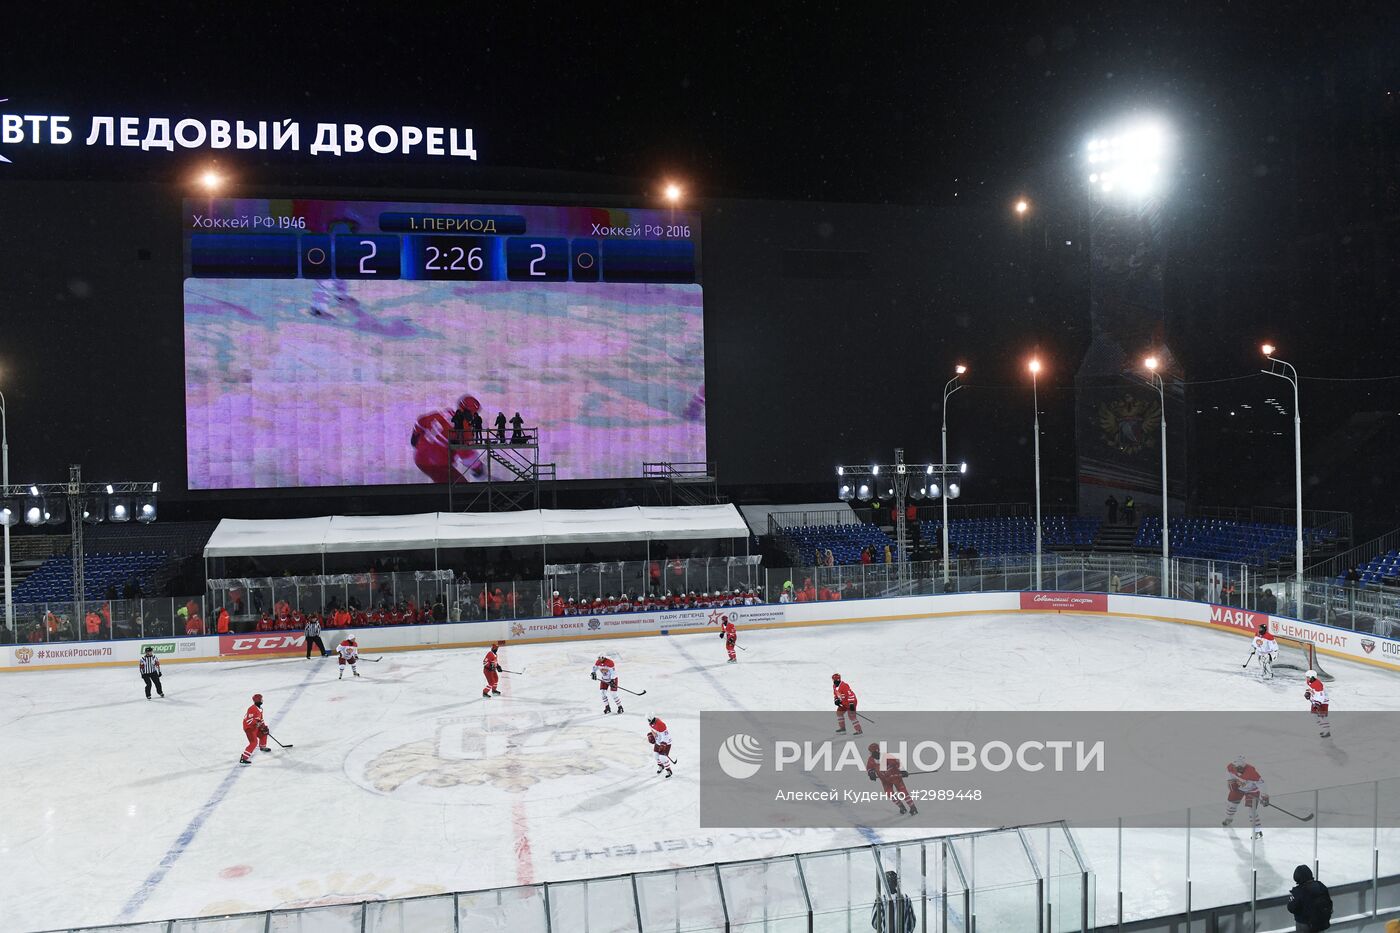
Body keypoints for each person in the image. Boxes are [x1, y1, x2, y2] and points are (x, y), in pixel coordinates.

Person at [1222, 755, 1268, 839]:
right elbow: (1230, 777)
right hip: (1239, 788)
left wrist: (1264, 796)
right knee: (1232, 804)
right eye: (1236, 767)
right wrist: (1232, 784)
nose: (1238, 769)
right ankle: (1229, 818)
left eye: (1240, 767)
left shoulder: (1251, 772)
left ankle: (1257, 831)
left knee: (1251, 811)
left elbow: (1261, 784)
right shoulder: (1230, 768)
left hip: (1252, 790)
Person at [866, 743, 918, 816]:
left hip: (895, 777)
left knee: (903, 792)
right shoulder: (871, 759)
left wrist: (902, 771)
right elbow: (869, 767)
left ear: (876, 751)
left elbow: (897, 763)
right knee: (889, 793)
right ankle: (901, 806)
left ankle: (912, 807)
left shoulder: (886, 756)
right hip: (885, 780)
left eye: (871, 752)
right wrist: (871, 773)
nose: (870, 754)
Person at [1286, 864, 1332, 932]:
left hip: (1304, 924)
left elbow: (1292, 908)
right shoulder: (1321, 886)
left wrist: (1291, 900)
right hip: (1320, 923)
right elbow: (1329, 902)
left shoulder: (1299, 891)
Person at [240, 693, 269, 765]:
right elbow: (249, 720)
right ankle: (243, 758)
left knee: (263, 733)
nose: (262, 700)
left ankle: (262, 747)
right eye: (261, 699)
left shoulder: (260, 709)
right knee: (253, 742)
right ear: (258, 700)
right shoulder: (252, 709)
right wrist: (256, 724)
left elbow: (261, 720)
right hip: (249, 728)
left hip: (255, 727)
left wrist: (263, 726)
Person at [1304, 671, 1331, 738]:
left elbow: (1321, 696)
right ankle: (1324, 728)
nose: (1306, 679)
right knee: (1314, 716)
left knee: (1322, 717)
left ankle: (1327, 731)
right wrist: (1308, 693)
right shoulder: (1310, 681)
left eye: (1308, 677)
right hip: (1315, 701)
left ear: (1312, 677)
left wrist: (1318, 703)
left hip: (1322, 703)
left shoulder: (1318, 685)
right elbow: (1310, 688)